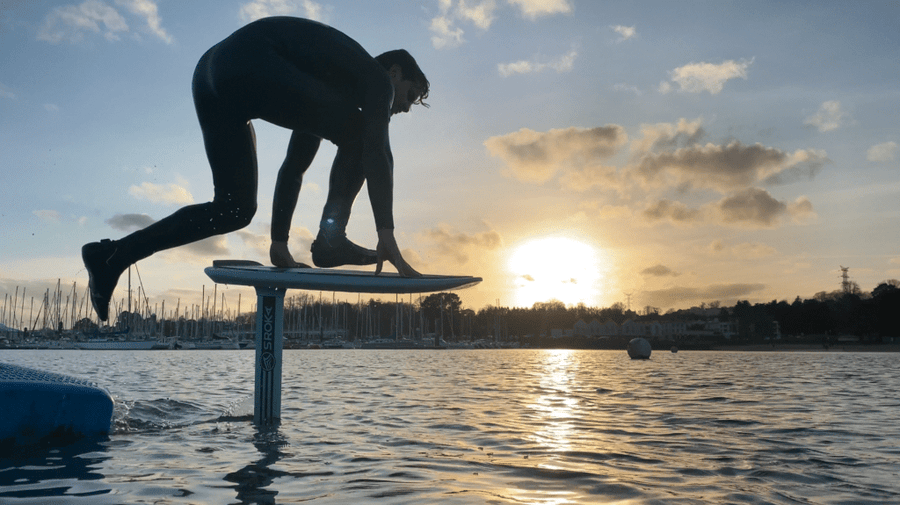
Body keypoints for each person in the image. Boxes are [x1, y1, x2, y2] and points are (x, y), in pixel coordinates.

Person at [82, 16, 428, 322]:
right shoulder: (376, 80)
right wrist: (386, 233)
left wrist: (279, 243)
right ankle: (331, 240)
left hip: (210, 75)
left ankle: (111, 256)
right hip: (252, 58)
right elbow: (377, 152)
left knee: (234, 208)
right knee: (363, 136)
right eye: (410, 95)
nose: (405, 108)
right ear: (394, 73)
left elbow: (293, 168)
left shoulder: (322, 87)